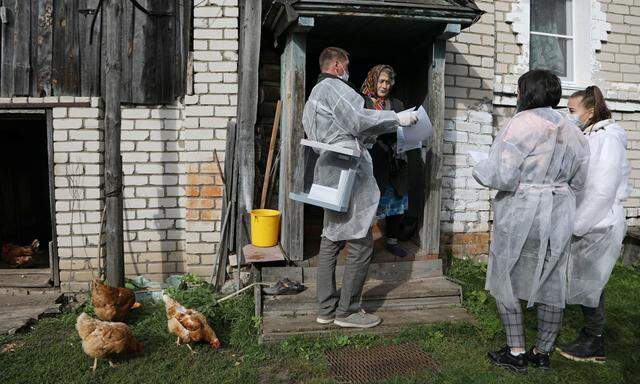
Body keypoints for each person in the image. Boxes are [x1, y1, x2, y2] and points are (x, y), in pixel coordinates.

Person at [473, 69, 590, 372]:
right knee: (552, 278)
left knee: (506, 274)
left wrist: (479, 168)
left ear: (526, 93)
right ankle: (542, 352)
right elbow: (580, 179)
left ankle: (516, 351)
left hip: (522, 209)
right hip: (558, 210)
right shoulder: (572, 128)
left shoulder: (519, 124)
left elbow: (502, 174)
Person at [303, 47, 418, 328]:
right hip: (350, 171)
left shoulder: (313, 96)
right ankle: (347, 312)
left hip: (328, 171)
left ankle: (325, 309)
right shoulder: (336, 87)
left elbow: (341, 130)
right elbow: (358, 120)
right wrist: (396, 119)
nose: (348, 69)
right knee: (361, 241)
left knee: (330, 238)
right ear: (338, 64)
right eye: (347, 64)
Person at [556, 86, 631, 363]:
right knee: (587, 283)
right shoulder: (590, 134)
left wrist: (578, 224)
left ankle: (594, 342)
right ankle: (590, 335)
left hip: (599, 222)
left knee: (593, 285)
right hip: (588, 219)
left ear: (590, 111)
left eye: (572, 110)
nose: (568, 115)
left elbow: (602, 188)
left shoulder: (607, 138)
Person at [361, 65, 409, 257]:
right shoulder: (362, 102)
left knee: (397, 201)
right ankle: (364, 246)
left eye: (388, 82)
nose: (385, 85)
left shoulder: (397, 104)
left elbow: (404, 130)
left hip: (394, 160)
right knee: (369, 205)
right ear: (373, 80)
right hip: (370, 161)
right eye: (381, 81)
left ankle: (391, 241)